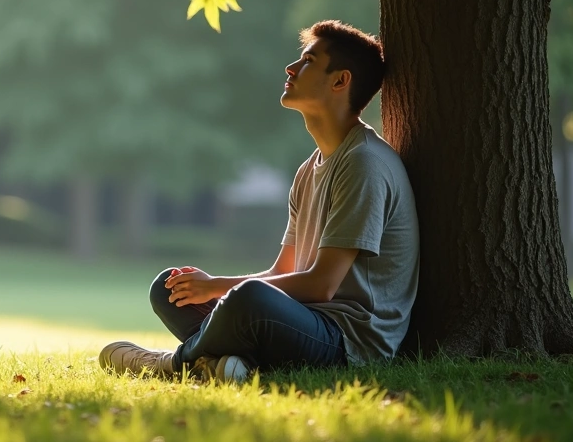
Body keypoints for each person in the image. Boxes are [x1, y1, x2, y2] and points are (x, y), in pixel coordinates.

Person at [100, 20, 420, 382]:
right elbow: (282, 271)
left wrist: (217, 286)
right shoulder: (309, 170)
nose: (291, 68)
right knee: (170, 289)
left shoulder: (365, 162)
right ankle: (226, 365)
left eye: (308, 61)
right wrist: (207, 284)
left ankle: (173, 364)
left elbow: (321, 285)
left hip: (348, 343)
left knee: (249, 297)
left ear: (340, 81)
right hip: (302, 321)